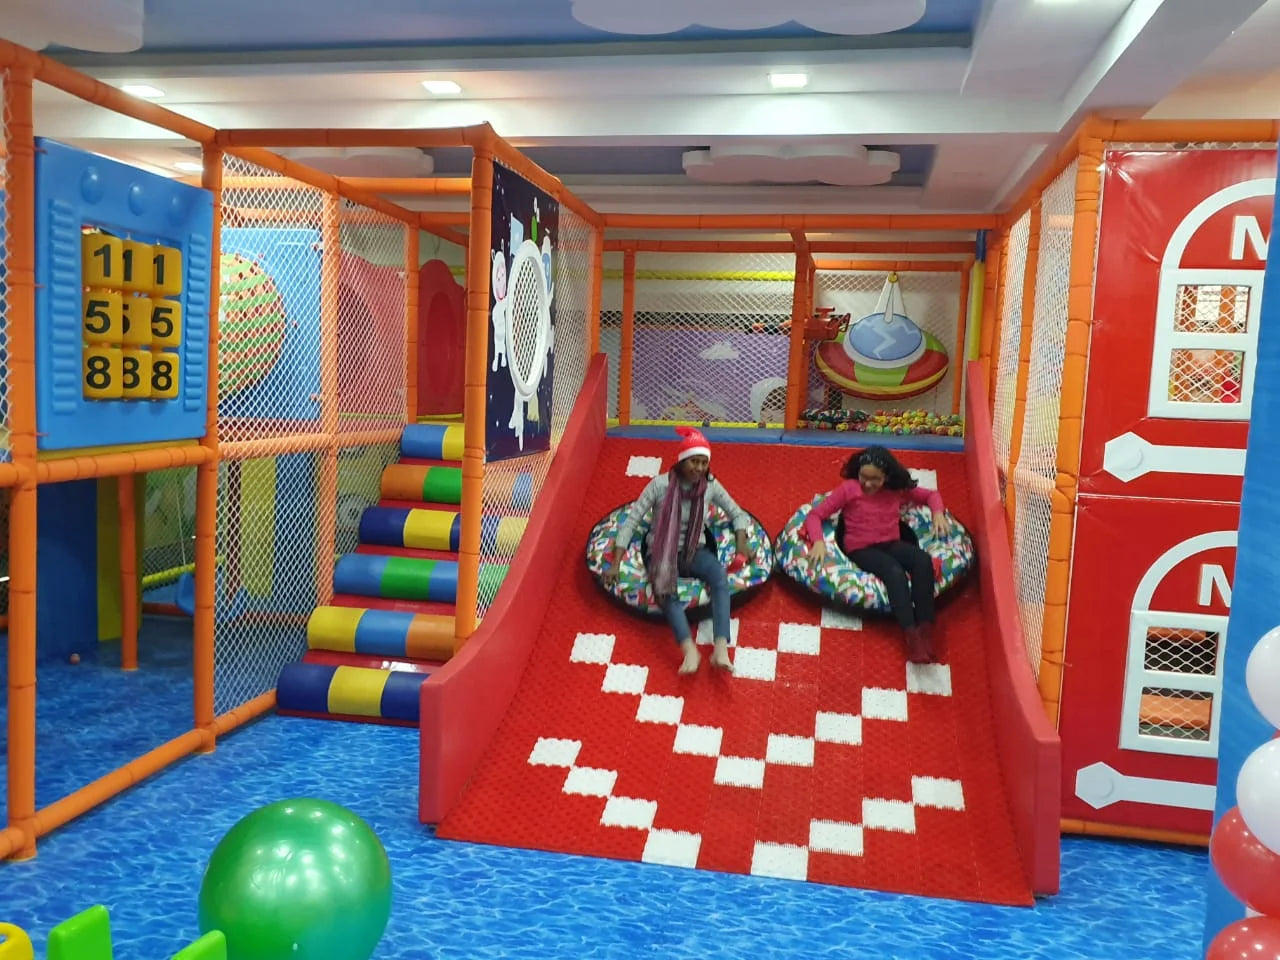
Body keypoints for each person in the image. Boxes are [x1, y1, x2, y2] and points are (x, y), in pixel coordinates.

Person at [603, 427, 753, 675]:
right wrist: (616, 562)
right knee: (664, 591)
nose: (699, 468)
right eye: (694, 461)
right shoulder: (659, 486)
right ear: (682, 460)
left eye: (704, 463)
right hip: (661, 552)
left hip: (694, 551)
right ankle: (689, 652)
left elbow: (737, 512)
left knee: (718, 575)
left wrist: (740, 543)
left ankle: (720, 649)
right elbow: (630, 522)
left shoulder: (711, 487)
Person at [803, 446, 952, 663]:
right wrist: (818, 541)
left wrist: (938, 514)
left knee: (922, 560)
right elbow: (815, 515)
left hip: (891, 543)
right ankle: (911, 636)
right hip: (861, 549)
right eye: (864, 476)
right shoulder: (849, 489)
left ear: (887, 477)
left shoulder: (896, 489)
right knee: (894, 572)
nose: (868, 484)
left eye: (875, 479)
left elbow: (931, 495)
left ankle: (925, 629)